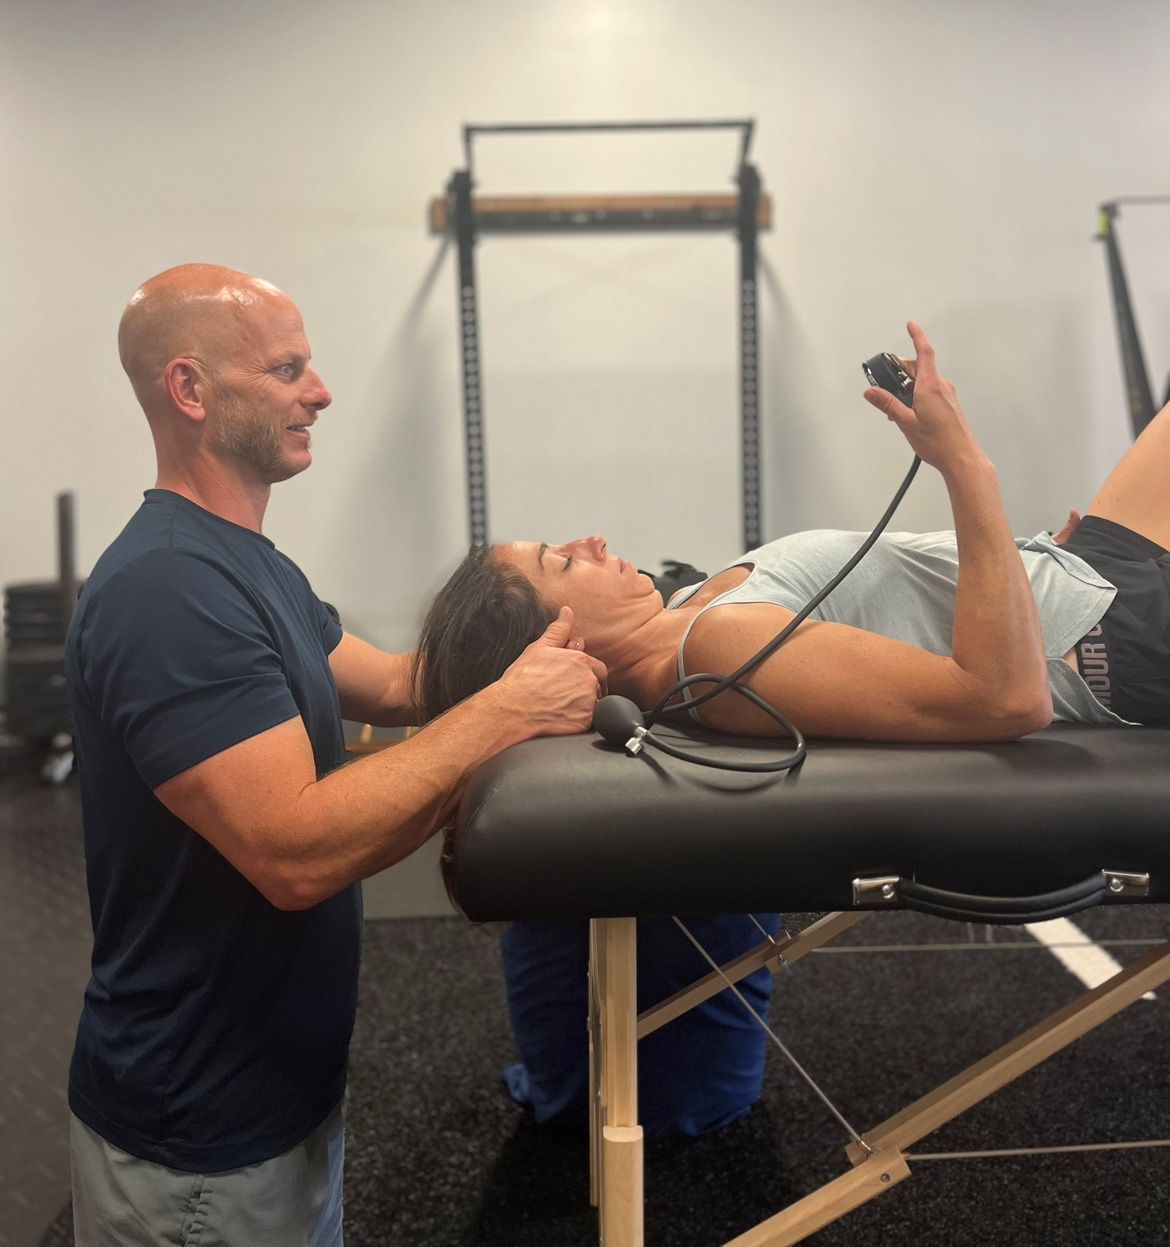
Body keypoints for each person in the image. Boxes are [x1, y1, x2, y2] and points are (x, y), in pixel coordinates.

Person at [414, 321, 1170, 1137]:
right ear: (561, 641)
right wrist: (965, 464)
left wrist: (1011, 570)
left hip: (1086, 571)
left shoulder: (683, 613)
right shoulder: (716, 654)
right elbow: (1006, 697)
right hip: (1119, 642)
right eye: (562, 562)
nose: (589, 541)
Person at [63, 263, 607, 1247]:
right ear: (192, 391)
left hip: (277, 1100)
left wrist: (561, 632)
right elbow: (295, 851)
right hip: (201, 1144)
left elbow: (406, 685)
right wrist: (510, 708)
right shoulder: (168, 590)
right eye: (287, 369)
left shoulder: (252, 566)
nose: (319, 391)